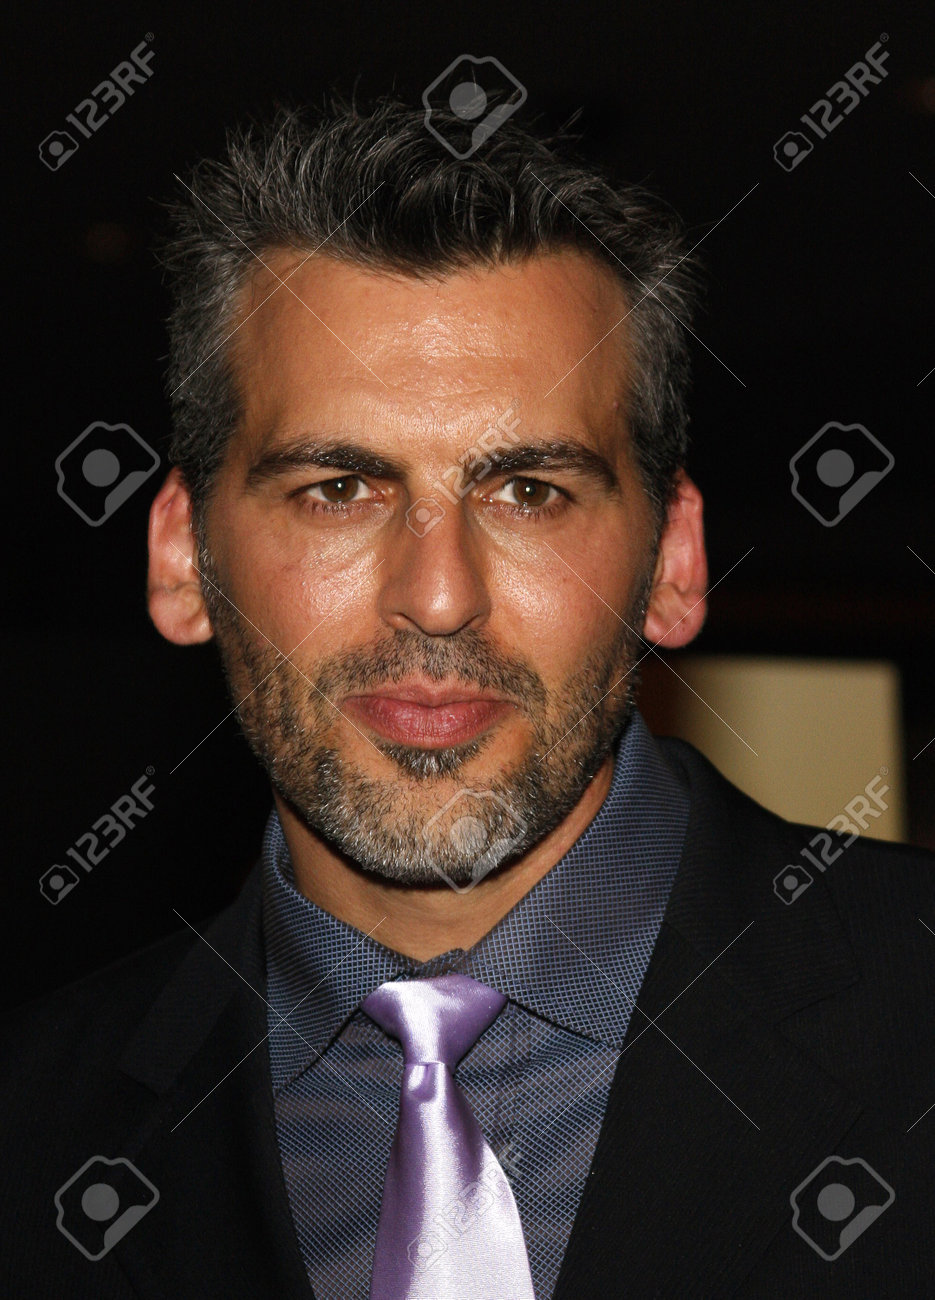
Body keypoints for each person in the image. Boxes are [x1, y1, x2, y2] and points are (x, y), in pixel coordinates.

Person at [3, 95, 933, 1299]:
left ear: (672, 562)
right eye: (338, 489)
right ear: (183, 559)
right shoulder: (33, 1133)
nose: (438, 597)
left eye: (528, 492)